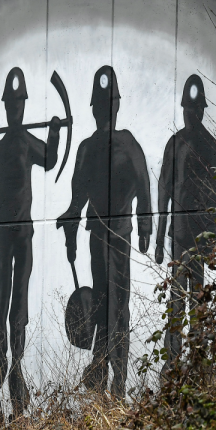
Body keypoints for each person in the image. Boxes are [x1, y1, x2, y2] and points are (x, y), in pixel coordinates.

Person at [0, 67, 61, 417]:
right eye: (11, 105)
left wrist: (53, 133)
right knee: (3, 293)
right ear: (7, 107)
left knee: (17, 295)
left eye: (18, 104)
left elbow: (50, 159)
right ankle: (1, 356)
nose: (14, 110)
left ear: (22, 106)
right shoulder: (5, 144)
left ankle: (16, 362)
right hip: (5, 234)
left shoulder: (25, 144)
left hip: (24, 234)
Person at [57, 66, 152, 399]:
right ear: (97, 108)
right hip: (98, 237)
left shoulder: (128, 144)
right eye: (101, 104)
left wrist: (145, 225)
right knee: (104, 302)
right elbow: (76, 199)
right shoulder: (86, 148)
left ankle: (114, 376)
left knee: (118, 304)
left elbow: (143, 184)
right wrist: (69, 227)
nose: (104, 110)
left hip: (121, 236)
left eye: (107, 103)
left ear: (113, 106)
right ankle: (102, 370)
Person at [155, 75, 216, 374]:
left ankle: (195, 368)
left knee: (195, 306)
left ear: (201, 111)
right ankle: (173, 367)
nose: (190, 114)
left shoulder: (211, 147)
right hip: (180, 239)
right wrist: (158, 238)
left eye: (193, 109)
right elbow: (164, 190)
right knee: (177, 305)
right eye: (187, 109)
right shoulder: (176, 144)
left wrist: (214, 242)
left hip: (198, 239)